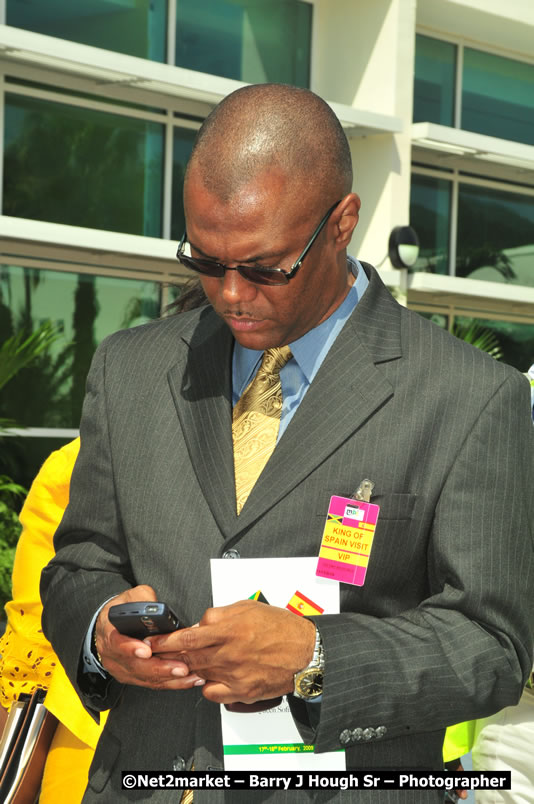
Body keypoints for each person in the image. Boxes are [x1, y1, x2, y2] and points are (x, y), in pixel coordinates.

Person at [41, 84, 534, 803]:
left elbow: (494, 647)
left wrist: (317, 658)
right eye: (205, 261)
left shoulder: (469, 397)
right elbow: (79, 560)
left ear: (342, 224)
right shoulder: (131, 368)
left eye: (265, 267)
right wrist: (98, 629)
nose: (232, 293)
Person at [0, 439, 107, 802]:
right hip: (93, 733)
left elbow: (35, 623)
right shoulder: (79, 462)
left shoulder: (84, 459)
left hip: (93, 729)